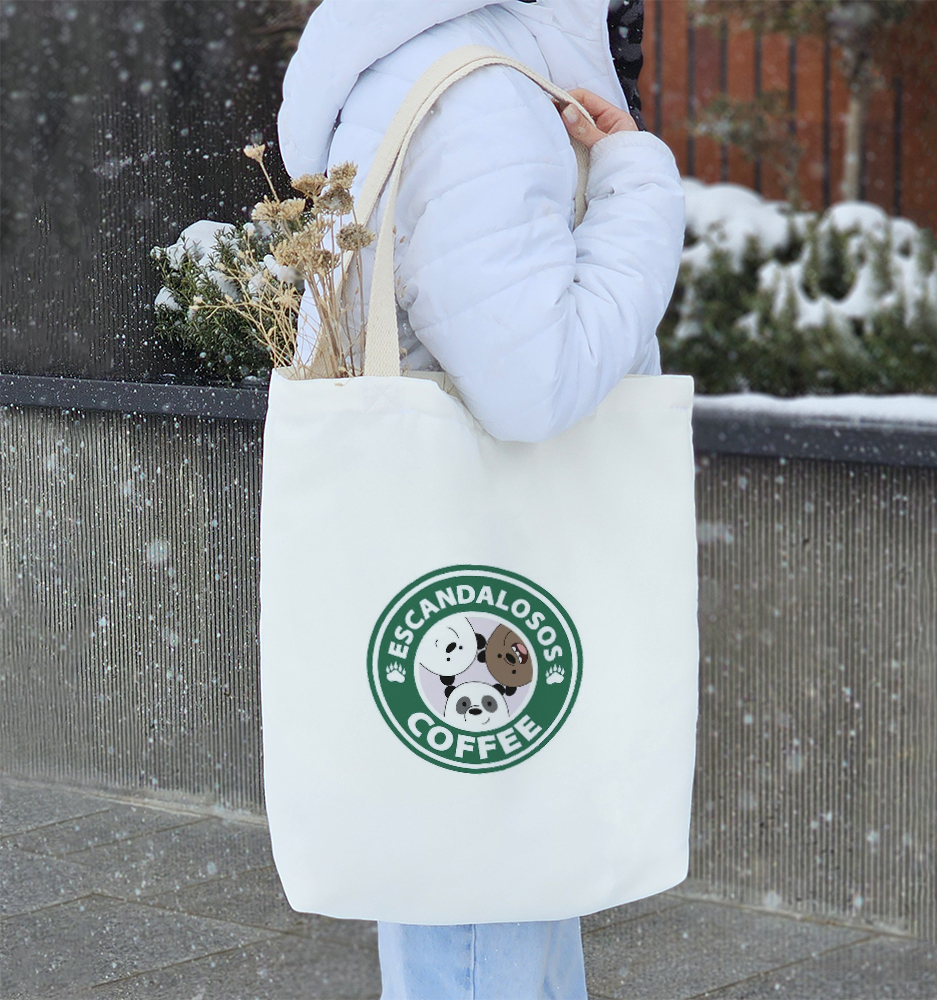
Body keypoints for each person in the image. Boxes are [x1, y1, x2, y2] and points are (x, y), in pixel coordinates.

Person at [278, 1, 685, 996]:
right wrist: (637, 185)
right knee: (482, 906)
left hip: (460, 555)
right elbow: (532, 384)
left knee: (488, 886)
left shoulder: (433, 60)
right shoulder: (479, 95)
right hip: (492, 564)